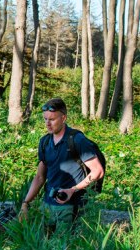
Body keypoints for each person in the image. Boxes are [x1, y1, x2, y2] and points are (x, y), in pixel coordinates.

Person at [19, 97, 104, 228]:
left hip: (72, 207)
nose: (47, 123)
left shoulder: (77, 140)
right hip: (47, 206)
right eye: (45, 119)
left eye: (52, 119)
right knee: (44, 244)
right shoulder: (45, 142)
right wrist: (25, 203)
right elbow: (40, 177)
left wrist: (72, 190)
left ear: (63, 118)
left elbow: (97, 171)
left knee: (65, 245)